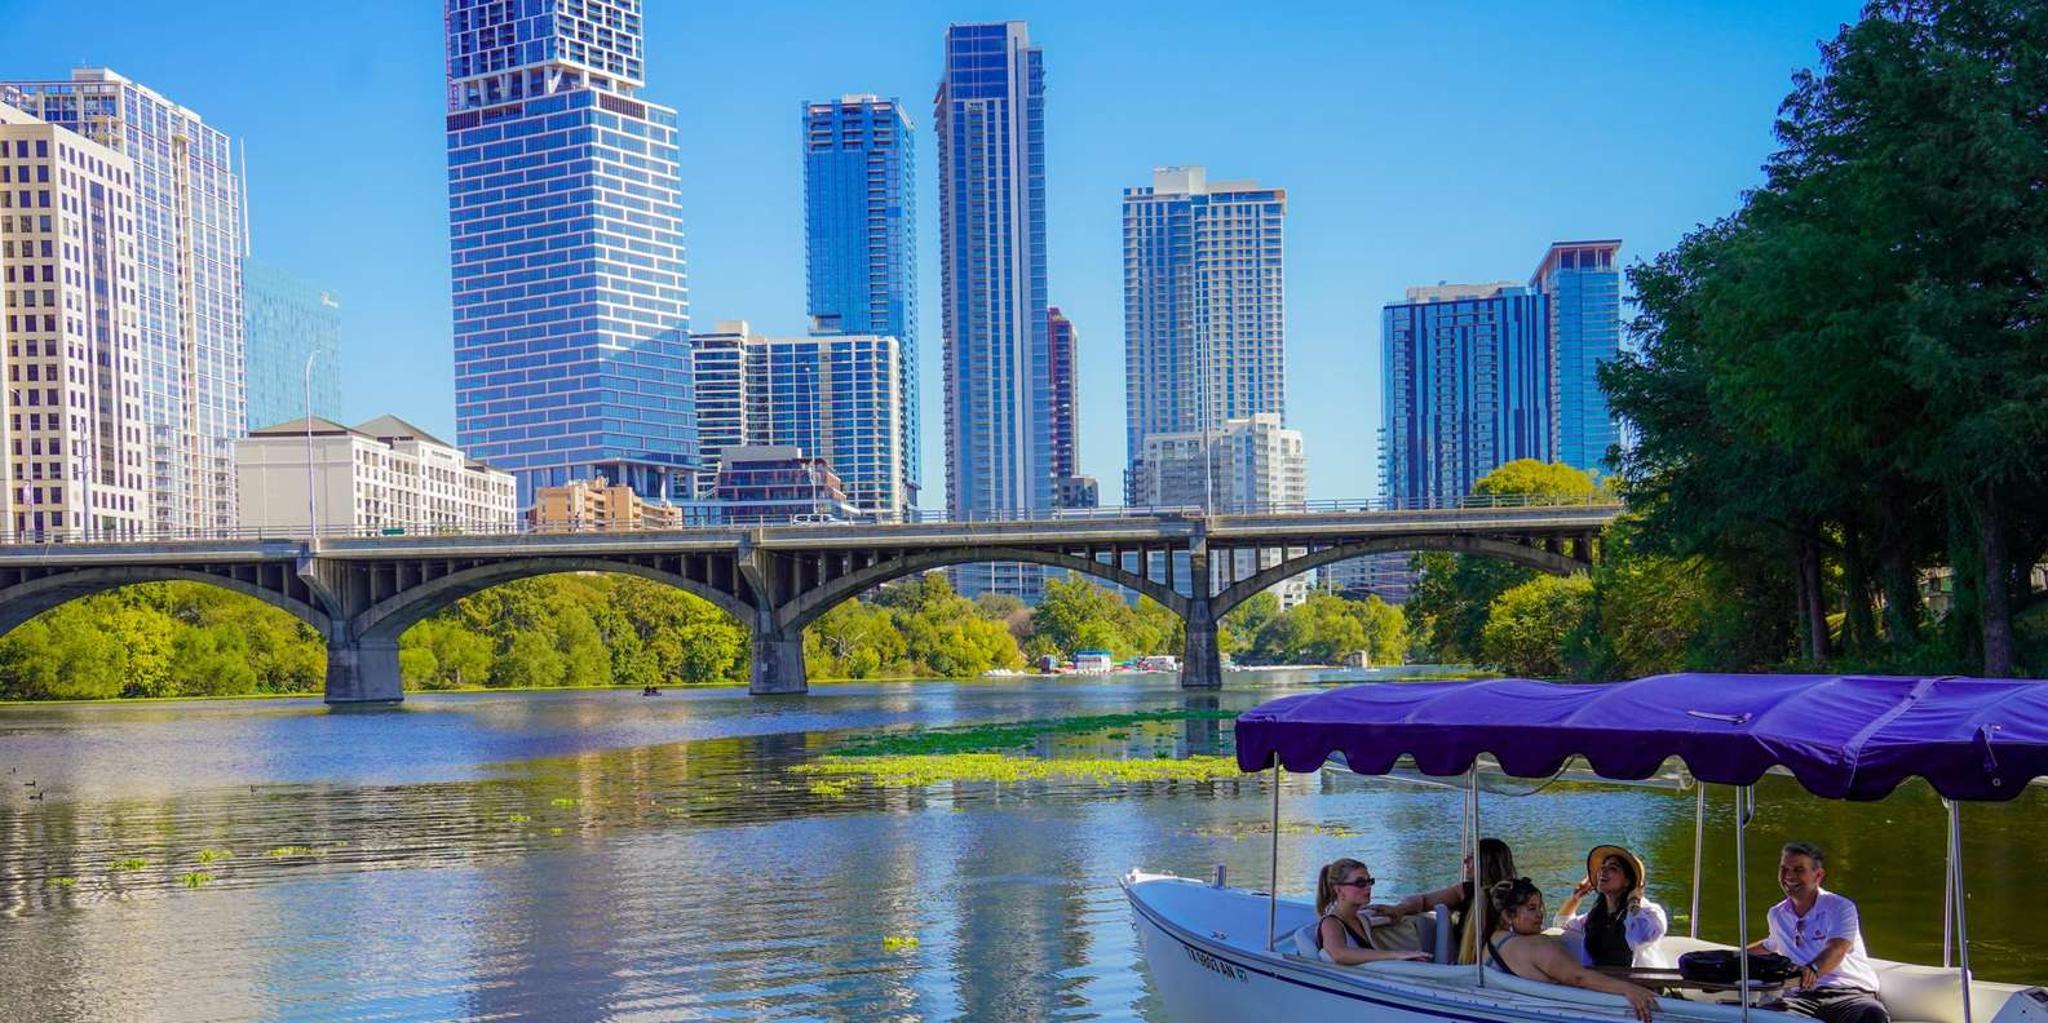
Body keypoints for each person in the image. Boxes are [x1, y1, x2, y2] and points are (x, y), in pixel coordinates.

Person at [1746, 842, 1889, 1023]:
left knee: (1872, 1015)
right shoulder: (1776, 914)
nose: (1789, 876)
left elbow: (1837, 948)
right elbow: (1770, 945)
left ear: (1818, 875)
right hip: (1802, 997)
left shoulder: (1840, 907)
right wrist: (1730, 957)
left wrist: (1812, 969)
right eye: (1784, 869)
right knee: (1764, 1018)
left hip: (1850, 994)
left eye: (1798, 870)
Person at [1487, 877, 1660, 1023]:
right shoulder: (1537, 944)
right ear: (1508, 915)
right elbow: (1578, 977)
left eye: (1540, 907)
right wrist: (1628, 989)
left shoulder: (1491, 941)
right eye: (1532, 909)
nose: (1540, 914)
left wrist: (1575, 899)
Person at [1371, 836, 1517, 964]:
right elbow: (1424, 901)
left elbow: (1423, 901)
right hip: (1483, 962)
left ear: (1487, 863)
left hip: (1500, 957)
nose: (1465, 861)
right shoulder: (1466, 891)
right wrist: (1400, 909)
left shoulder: (1517, 893)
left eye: (1472, 857)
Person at [1554, 844, 1672, 968]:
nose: (1603, 871)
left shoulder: (1649, 912)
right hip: (1599, 979)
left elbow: (1645, 935)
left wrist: (1633, 902)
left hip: (1638, 979)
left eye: (1613, 868)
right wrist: (1575, 898)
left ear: (1627, 881)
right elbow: (1561, 925)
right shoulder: (1595, 916)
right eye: (1602, 867)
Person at [1313, 858, 1432, 965]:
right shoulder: (1331, 922)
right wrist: (1397, 955)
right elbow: (1339, 954)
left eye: (1369, 881)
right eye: (1360, 883)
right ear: (1338, 890)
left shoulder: (1361, 918)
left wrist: (1398, 911)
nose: (1368, 887)